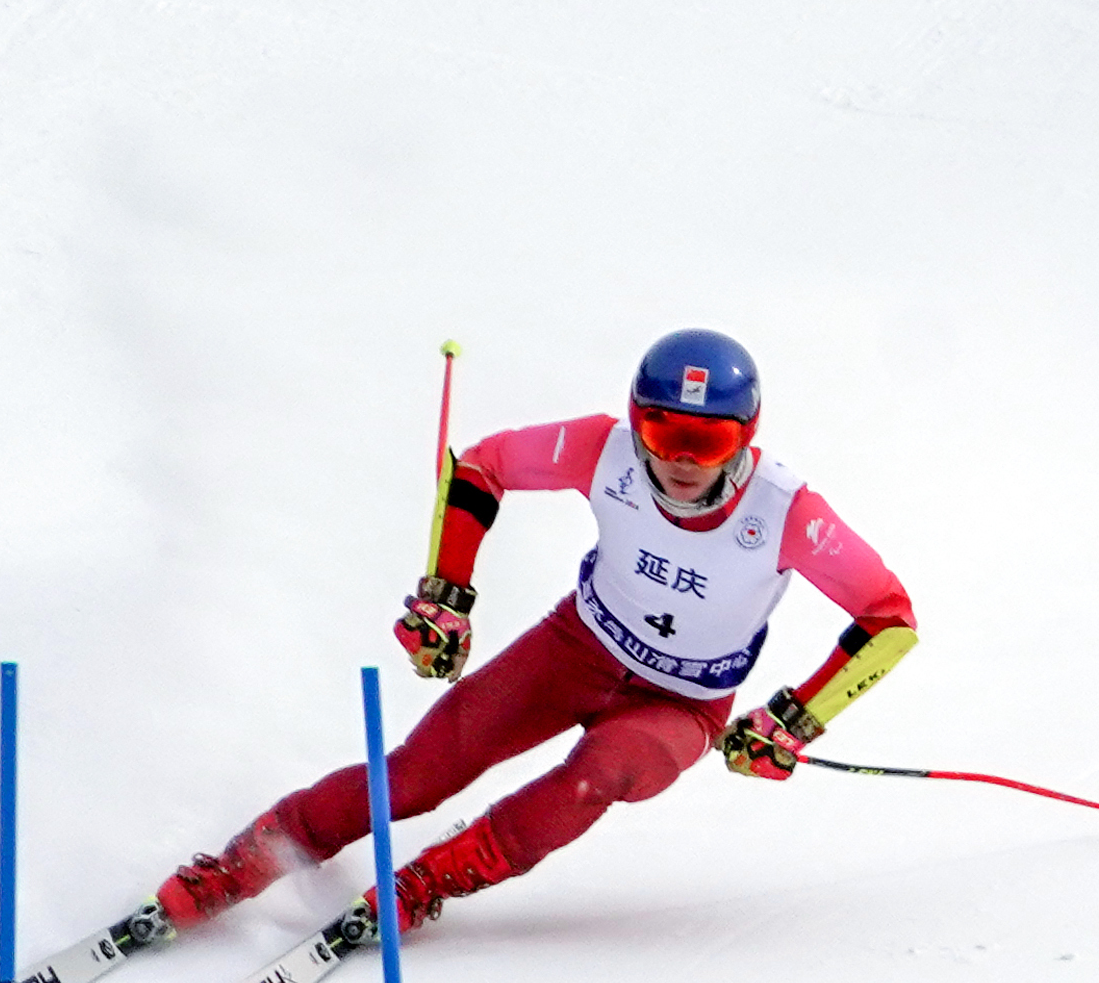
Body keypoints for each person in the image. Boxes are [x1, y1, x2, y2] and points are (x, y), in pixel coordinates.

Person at [152, 327, 920, 939]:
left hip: (683, 704)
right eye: (662, 430)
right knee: (421, 772)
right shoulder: (602, 449)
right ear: (634, 418)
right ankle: (240, 866)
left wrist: (797, 718)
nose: (681, 460)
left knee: (601, 769)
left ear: (746, 438)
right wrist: (447, 597)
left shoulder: (785, 512)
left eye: (709, 442)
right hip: (576, 648)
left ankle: (426, 885)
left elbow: (889, 616)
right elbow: (482, 467)